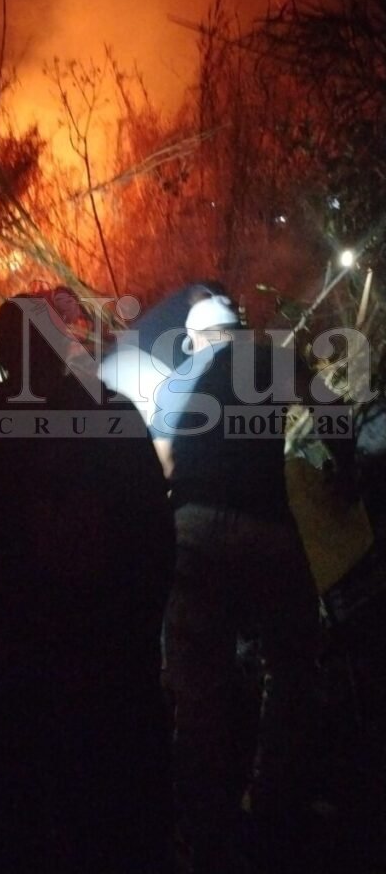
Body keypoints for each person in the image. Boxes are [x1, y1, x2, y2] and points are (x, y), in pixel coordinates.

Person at [0, 294, 176, 874]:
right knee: (111, 830)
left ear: (3, 355)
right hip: (104, 664)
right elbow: (157, 538)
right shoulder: (113, 413)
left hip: (11, 662)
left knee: (13, 831)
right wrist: (139, 634)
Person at [152, 286, 320, 874]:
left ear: (196, 340)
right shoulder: (267, 357)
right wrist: (340, 469)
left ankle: (206, 836)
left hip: (192, 531)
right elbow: (327, 408)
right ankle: (271, 798)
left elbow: (162, 469)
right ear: (239, 330)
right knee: (295, 661)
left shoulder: (175, 384)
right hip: (265, 530)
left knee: (199, 688)